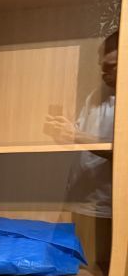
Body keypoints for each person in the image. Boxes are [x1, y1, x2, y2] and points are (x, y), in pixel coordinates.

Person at [44, 31, 117, 220]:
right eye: (101, 66)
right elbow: (81, 138)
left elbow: (121, 151)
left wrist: (76, 135)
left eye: (111, 67)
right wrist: (62, 134)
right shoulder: (97, 94)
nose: (103, 73)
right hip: (78, 199)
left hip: (108, 208)